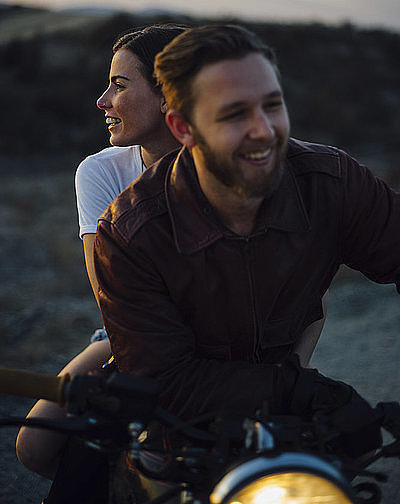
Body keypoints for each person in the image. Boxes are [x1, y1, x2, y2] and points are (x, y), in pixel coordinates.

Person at [95, 24, 399, 428]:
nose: (264, 131)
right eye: (233, 113)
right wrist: (300, 392)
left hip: (286, 414)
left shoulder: (331, 180)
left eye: (272, 106)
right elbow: (163, 381)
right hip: (185, 436)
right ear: (183, 127)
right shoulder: (130, 232)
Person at [15, 24, 187, 480]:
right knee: (36, 444)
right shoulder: (101, 171)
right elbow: (108, 295)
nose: (102, 100)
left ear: (171, 95)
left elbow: (310, 293)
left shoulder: (235, 169)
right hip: (131, 335)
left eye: (119, 84)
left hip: (230, 343)